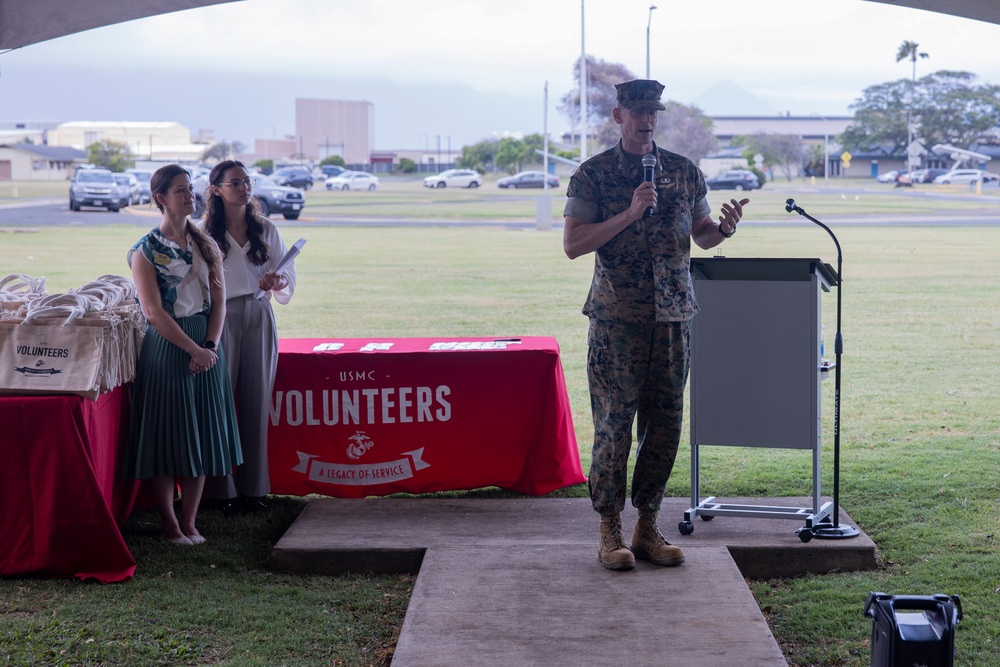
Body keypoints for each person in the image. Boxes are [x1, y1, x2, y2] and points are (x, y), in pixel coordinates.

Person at [563, 79, 749, 571]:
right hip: (616, 321)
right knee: (614, 428)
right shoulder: (594, 174)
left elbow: (703, 235)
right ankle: (609, 530)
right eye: (637, 111)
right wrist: (629, 213)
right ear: (617, 115)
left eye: (654, 112)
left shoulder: (684, 173)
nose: (647, 120)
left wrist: (724, 228)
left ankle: (647, 526)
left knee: (664, 426)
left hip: (672, 319)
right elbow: (574, 244)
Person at [125, 163, 243, 546]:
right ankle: (169, 524)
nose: (190, 195)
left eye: (190, 188)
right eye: (180, 190)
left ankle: (190, 522)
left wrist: (209, 348)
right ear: (161, 199)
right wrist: (193, 349)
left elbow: (220, 301)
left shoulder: (206, 242)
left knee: (202, 433)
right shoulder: (144, 251)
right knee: (166, 436)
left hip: (207, 344)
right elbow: (153, 312)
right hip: (168, 345)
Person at [200, 160, 296, 514]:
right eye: (235, 182)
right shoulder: (202, 231)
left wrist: (278, 282)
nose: (244, 187)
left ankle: (254, 489)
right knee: (219, 402)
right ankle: (219, 491)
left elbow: (289, 276)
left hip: (259, 313)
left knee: (257, 403)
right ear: (216, 190)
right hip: (219, 318)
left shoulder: (266, 227)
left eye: (247, 181)